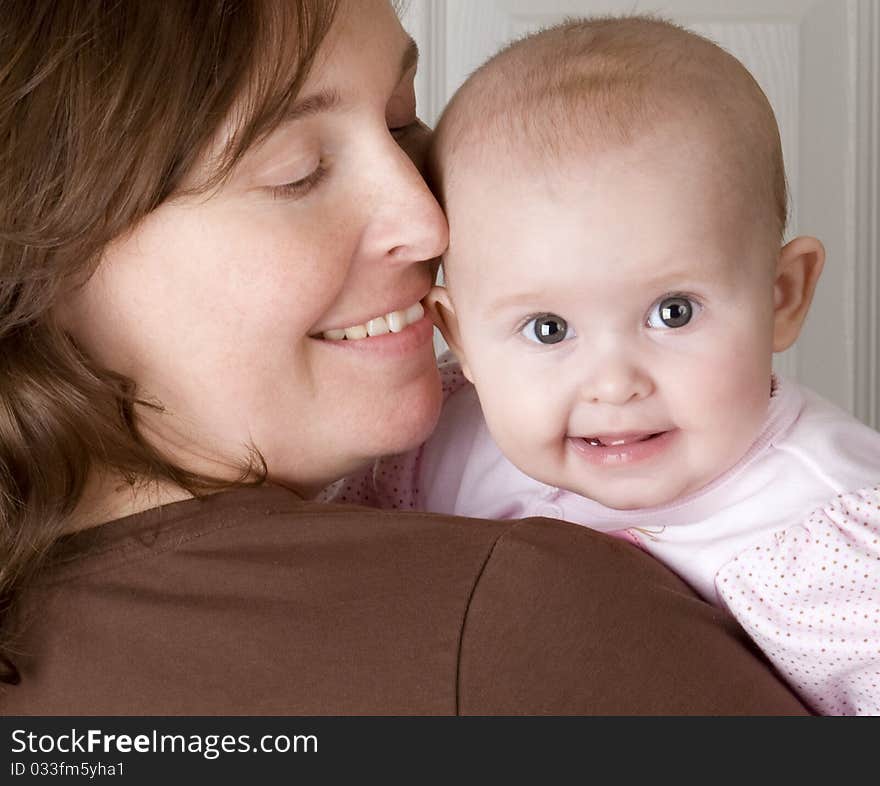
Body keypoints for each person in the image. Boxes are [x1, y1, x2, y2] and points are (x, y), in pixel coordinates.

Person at [0, 0, 808, 715]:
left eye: (400, 121)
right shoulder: (519, 622)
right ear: (50, 256)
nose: (427, 222)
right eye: (298, 172)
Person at [321, 16, 880, 715]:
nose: (614, 385)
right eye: (548, 329)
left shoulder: (826, 536)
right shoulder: (443, 447)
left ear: (783, 296)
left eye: (673, 312)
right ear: (459, 336)